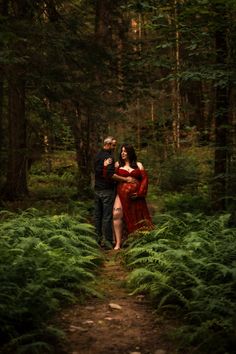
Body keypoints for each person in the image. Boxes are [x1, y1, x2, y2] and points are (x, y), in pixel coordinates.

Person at [104, 143, 153, 250]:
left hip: (136, 197)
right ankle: (118, 242)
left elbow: (145, 180)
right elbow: (108, 175)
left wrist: (140, 193)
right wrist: (106, 165)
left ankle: (137, 241)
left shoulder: (139, 165)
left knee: (137, 217)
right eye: (121, 151)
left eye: (125, 151)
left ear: (130, 152)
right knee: (116, 213)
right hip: (121, 194)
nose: (123, 153)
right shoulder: (117, 165)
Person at [93, 137, 134, 249]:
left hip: (97, 190)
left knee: (97, 216)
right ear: (108, 144)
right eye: (114, 145)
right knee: (107, 217)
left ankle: (97, 240)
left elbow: (96, 172)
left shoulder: (97, 155)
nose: (115, 148)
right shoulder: (109, 157)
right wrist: (126, 180)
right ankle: (108, 242)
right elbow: (110, 175)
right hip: (107, 190)